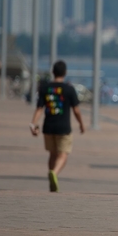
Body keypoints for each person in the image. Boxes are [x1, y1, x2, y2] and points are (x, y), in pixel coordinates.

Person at [30, 60, 85, 192]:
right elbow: (76, 110)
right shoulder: (69, 89)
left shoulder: (45, 88)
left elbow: (39, 109)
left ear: (53, 72)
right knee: (63, 154)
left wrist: (33, 124)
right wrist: (81, 124)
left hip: (48, 127)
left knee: (52, 154)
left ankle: (51, 175)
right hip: (63, 128)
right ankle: (54, 173)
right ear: (65, 73)